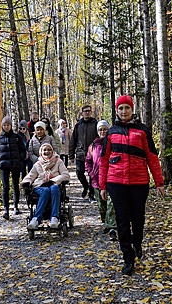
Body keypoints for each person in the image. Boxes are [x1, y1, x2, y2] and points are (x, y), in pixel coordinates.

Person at [99, 95, 165, 275]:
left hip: (139, 182)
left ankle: (137, 244)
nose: (124, 111)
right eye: (120, 108)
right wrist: (102, 185)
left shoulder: (142, 131)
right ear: (116, 111)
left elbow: (152, 157)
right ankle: (127, 259)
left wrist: (159, 182)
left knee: (137, 219)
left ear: (132, 109)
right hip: (116, 182)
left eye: (127, 108)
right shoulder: (111, 133)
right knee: (121, 220)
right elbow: (103, 160)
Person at [21, 143, 70, 229]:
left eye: (49, 150)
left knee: (54, 188)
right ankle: (36, 219)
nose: (47, 152)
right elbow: (31, 175)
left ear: (52, 151)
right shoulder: (37, 164)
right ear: (41, 152)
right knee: (45, 191)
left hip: (54, 185)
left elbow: (65, 175)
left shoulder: (58, 161)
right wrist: (26, 183)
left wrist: (53, 181)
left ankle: (54, 217)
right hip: (40, 186)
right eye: (45, 150)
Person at [85, 120, 117, 241]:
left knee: (111, 203)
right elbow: (88, 161)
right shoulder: (93, 145)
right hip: (96, 180)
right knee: (101, 205)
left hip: (111, 178)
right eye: (100, 130)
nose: (102, 131)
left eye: (104, 129)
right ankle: (106, 221)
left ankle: (112, 227)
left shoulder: (113, 143)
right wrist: (91, 172)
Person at [0, 116, 27, 220]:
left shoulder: (17, 137)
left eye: (8, 125)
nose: (6, 127)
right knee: (5, 187)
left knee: (15, 185)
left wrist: (20, 158)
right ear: (2, 126)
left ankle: (16, 206)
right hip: (4, 166)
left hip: (16, 165)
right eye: (4, 125)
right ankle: (6, 209)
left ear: (11, 126)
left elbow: (23, 150)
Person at [69, 105, 98, 201]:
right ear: (82, 113)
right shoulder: (78, 125)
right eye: (85, 111)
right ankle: (86, 186)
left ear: (91, 112)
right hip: (80, 154)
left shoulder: (95, 124)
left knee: (92, 174)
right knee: (79, 173)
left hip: (93, 154)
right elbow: (73, 140)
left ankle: (91, 195)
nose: (87, 112)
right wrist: (71, 154)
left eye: (89, 111)